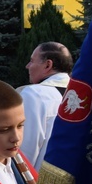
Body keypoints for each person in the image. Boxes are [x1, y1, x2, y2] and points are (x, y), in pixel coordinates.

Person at [18, 42, 73, 171]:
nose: (27, 66)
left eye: (32, 61)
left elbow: (24, 149)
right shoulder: (83, 97)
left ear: (48, 65)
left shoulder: (35, 94)